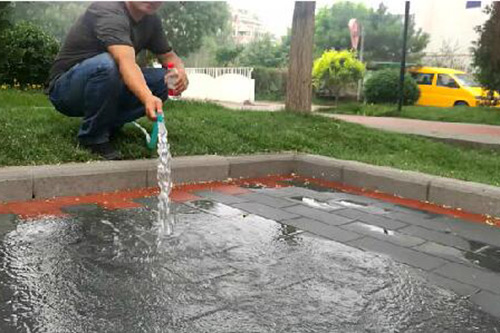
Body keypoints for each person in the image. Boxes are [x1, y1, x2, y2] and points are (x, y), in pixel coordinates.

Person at [46, 1, 188, 160]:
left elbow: (168, 56)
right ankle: (92, 137)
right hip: (66, 89)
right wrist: (147, 96)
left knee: (164, 80)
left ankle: (107, 124)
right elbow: (125, 61)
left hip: (109, 77)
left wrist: (179, 72)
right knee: (109, 64)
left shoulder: (151, 20)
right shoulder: (107, 9)